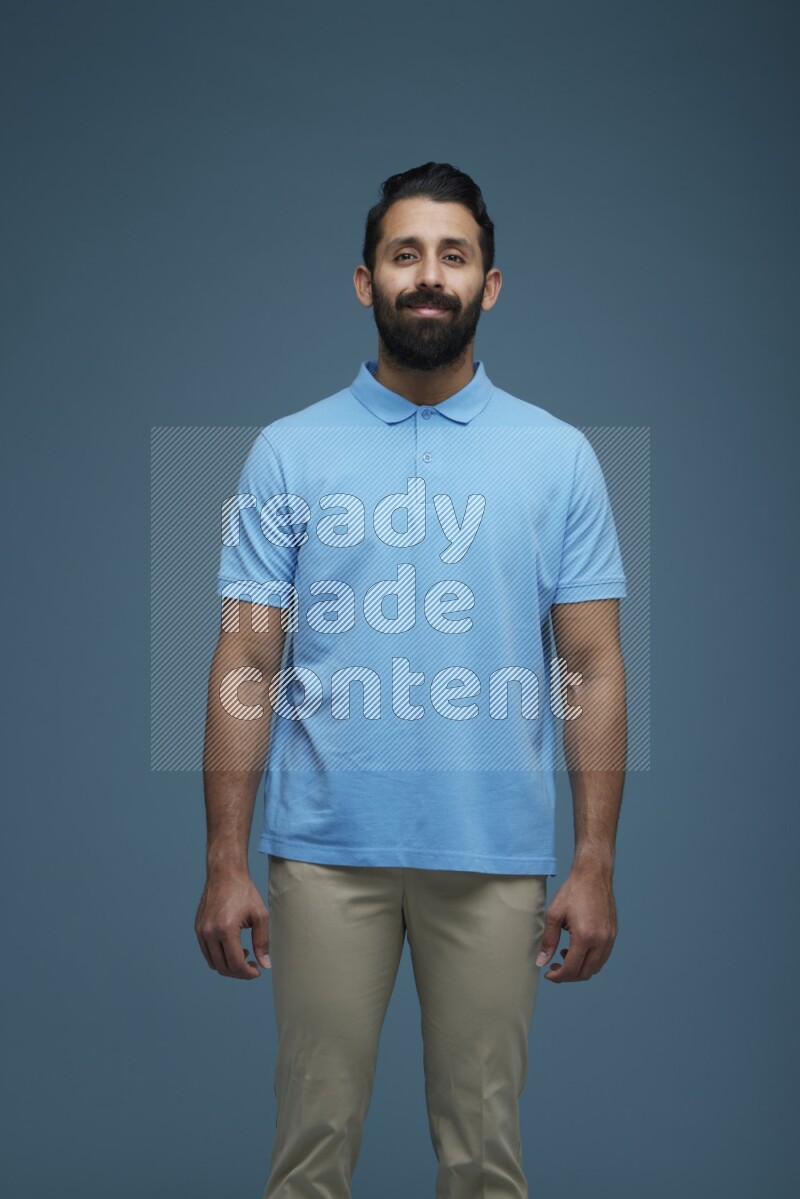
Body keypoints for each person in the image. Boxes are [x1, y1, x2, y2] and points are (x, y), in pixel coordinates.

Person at [195, 161, 628, 1198]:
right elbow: (247, 656)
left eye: (452, 254)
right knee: (307, 1158)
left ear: (488, 283)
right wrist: (224, 858)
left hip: (493, 857)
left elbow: (591, 663)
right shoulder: (287, 454)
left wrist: (593, 858)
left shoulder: (556, 456)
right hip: (322, 856)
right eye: (404, 254)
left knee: (483, 1163)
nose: (427, 275)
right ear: (364, 281)